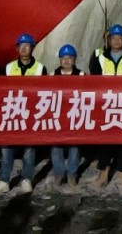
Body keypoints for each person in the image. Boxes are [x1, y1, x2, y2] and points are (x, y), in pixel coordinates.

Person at [0, 33, 46, 196]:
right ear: (17, 48)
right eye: (21, 46)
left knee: (29, 147)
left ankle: (26, 179)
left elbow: (44, 91)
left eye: (28, 46)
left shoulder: (40, 68)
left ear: (32, 48)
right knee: (7, 147)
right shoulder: (8, 67)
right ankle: (4, 180)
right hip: (12, 111)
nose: (24, 49)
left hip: (31, 112)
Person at [89, 23, 122, 187]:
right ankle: (103, 173)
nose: (117, 41)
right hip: (106, 106)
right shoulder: (100, 59)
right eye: (114, 38)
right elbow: (94, 82)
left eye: (120, 38)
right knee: (105, 140)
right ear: (109, 39)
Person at [50, 44, 83, 187]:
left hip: (75, 114)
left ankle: (71, 174)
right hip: (57, 115)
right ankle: (59, 173)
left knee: (74, 146)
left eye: (69, 58)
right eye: (63, 58)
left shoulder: (81, 75)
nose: (66, 61)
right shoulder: (52, 75)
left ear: (74, 59)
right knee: (56, 146)